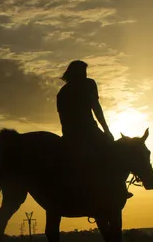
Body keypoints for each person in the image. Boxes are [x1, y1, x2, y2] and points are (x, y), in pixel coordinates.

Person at [56, 60, 133, 199]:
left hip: (71, 133)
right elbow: (96, 108)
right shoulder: (88, 84)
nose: (85, 74)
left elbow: (63, 118)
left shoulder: (62, 92)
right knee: (111, 151)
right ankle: (118, 187)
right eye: (83, 72)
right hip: (88, 130)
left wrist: (67, 135)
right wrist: (106, 130)